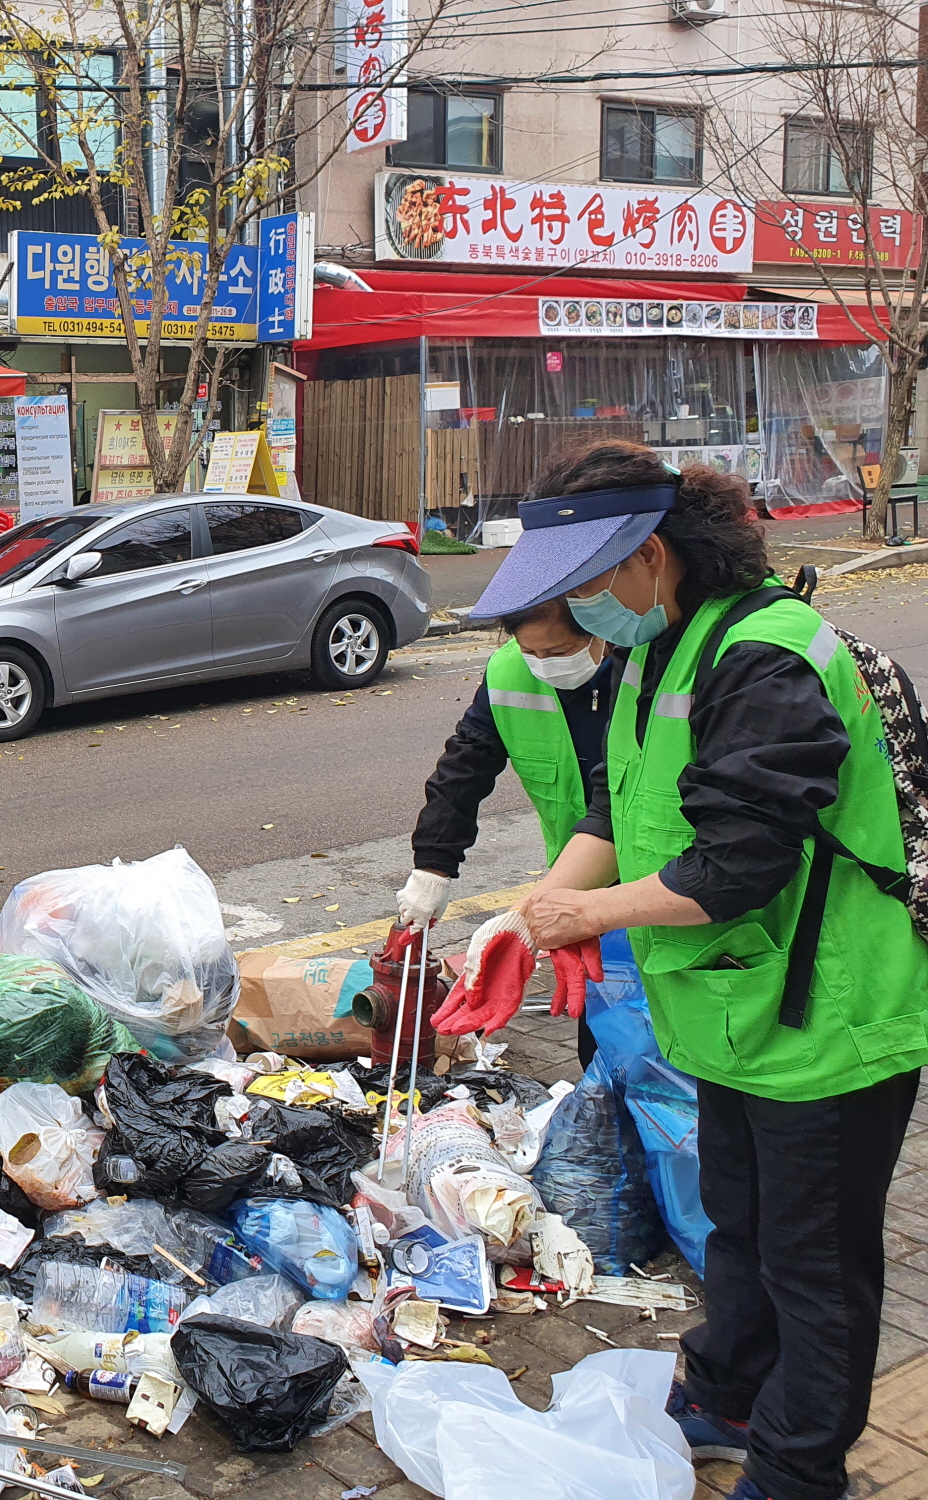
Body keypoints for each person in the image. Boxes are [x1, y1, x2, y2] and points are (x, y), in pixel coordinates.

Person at [470, 439, 928, 1500]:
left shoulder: (766, 658)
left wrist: (578, 914)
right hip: (733, 1015)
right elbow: (618, 809)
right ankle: (725, 1395)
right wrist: (531, 912)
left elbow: (735, 863)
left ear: (650, 559)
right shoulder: (661, 651)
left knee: (814, 1269)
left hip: (828, 1026)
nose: (581, 614)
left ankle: (795, 1473)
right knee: (740, 1228)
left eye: (587, 585)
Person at [397, 598, 613, 1064]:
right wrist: (433, 866)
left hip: (664, 884)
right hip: (575, 882)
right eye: (530, 651)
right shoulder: (511, 672)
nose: (543, 666)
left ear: (600, 629)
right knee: (601, 1042)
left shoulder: (645, 670)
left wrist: (530, 918)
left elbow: (623, 800)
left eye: (557, 652)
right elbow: (465, 767)